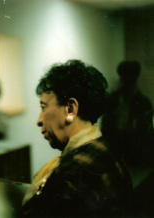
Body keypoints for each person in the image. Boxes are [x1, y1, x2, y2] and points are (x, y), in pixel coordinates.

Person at [18, 60, 133, 217]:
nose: (39, 120)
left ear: (70, 109)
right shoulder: (107, 149)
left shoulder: (70, 174)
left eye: (43, 107)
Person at [101, 61, 154, 167]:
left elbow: (146, 132)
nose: (128, 82)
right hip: (116, 149)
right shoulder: (112, 99)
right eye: (125, 79)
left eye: (130, 79)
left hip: (135, 153)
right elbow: (105, 126)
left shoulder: (143, 102)